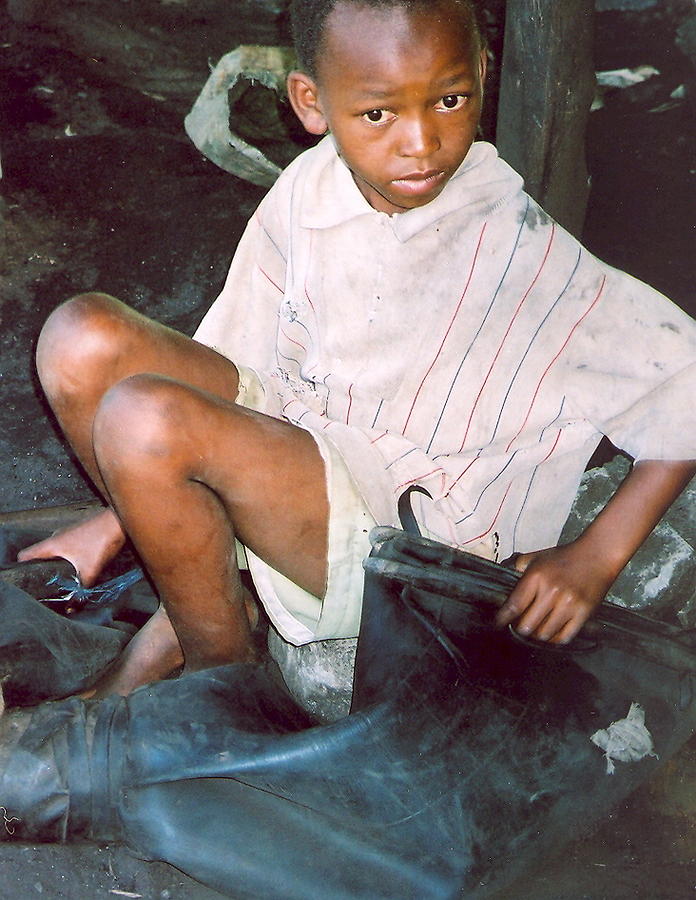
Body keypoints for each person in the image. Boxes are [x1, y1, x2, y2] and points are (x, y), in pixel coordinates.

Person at [19, 0, 696, 697]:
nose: (420, 142)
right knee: (81, 337)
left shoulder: (517, 246)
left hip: (405, 547)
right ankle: (209, 588)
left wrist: (595, 558)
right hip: (304, 460)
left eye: (449, 99)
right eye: (379, 113)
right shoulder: (313, 185)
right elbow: (243, 356)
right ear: (312, 103)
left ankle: (218, 673)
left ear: (483, 76)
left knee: (142, 419)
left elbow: (684, 378)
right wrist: (121, 513)